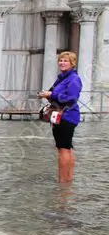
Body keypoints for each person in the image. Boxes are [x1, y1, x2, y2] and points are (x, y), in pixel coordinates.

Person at [39, 51, 82, 183]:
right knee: (65, 148)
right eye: (61, 60)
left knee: (63, 149)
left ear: (72, 63)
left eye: (66, 61)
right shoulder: (62, 78)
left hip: (67, 116)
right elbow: (53, 91)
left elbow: (72, 97)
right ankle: (67, 179)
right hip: (60, 116)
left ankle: (63, 181)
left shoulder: (74, 78)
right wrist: (46, 94)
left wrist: (51, 95)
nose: (62, 63)